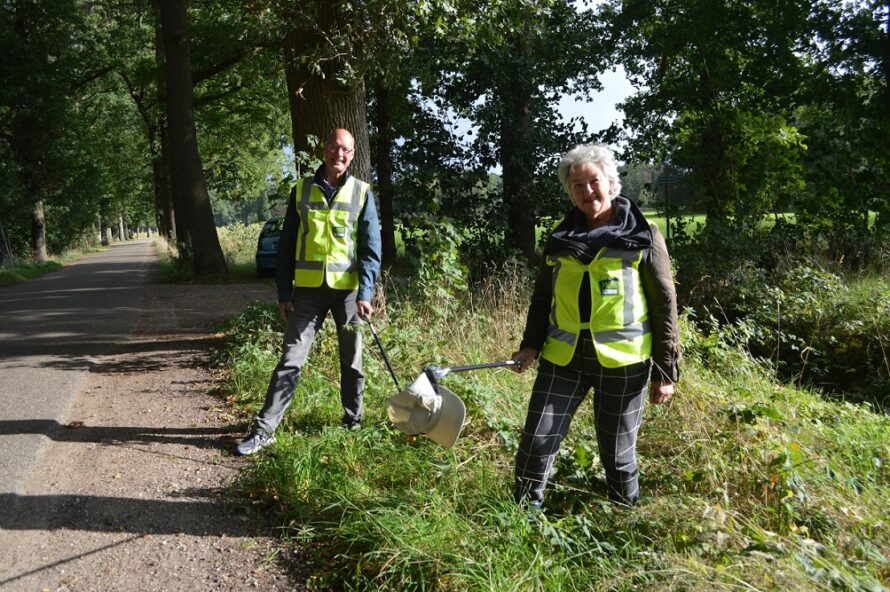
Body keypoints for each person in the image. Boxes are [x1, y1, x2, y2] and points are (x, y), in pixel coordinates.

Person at [510, 143, 679, 508]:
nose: (587, 191)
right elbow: (543, 299)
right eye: (577, 185)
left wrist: (666, 370)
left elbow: (665, 302)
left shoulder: (644, 233)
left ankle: (624, 520)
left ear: (611, 181)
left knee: (617, 456)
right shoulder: (559, 237)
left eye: (593, 181)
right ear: (569, 191)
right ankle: (521, 520)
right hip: (563, 359)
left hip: (624, 363)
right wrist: (530, 345)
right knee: (536, 442)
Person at [236, 128, 382, 456]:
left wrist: (366, 293)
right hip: (307, 293)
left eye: (345, 150)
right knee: (290, 360)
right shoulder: (301, 189)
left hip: (348, 293)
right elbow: (287, 245)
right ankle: (264, 431)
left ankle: (353, 422)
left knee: (353, 362)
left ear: (353, 154)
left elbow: (371, 248)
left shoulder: (362, 192)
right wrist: (283, 292)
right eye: (333, 147)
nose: (338, 154)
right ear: (324, 150)